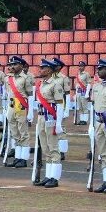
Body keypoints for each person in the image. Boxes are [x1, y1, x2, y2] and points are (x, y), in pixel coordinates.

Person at [34, 59, 65, 188]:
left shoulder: (55, 84)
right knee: (45, 148)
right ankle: (48, 175)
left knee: (53, 148)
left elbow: (60, 105)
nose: (40, 70)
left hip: (50, 117)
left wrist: (58, 124)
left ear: (49, 70)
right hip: (41, 117)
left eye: (42, 68)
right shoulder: (41, 84)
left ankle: (55, 178)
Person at [5, 56, 35, 168]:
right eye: (11, 64)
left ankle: (24, 159)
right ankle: (18, 157)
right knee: (14, 133)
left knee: (23, 133)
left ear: (21, 66)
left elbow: (31, 96)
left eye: (15, 64)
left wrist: (31, 111)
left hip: (21, 106)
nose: (12, 66)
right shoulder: (8, 78)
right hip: (11, 106)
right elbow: (8, 94)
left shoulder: (26, 78)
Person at [91, 58, 106, 193]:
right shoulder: (97, 86)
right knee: (104, 153)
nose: (98, 71)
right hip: (99, 122)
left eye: (101, 68)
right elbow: (94, 106)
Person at [75, 61, 91, 125]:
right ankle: (81, 120)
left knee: (84, 107)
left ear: (84, 67)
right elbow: (77, 84)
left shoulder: (86, 74)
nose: (80, 67)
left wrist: (87, 93)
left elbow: (89, 84)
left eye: (81, 66)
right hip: (78, 92)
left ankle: (85, 120)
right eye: (79, 66)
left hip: (84, 92)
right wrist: (75, 93)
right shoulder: (78, 74)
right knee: (80, 107)